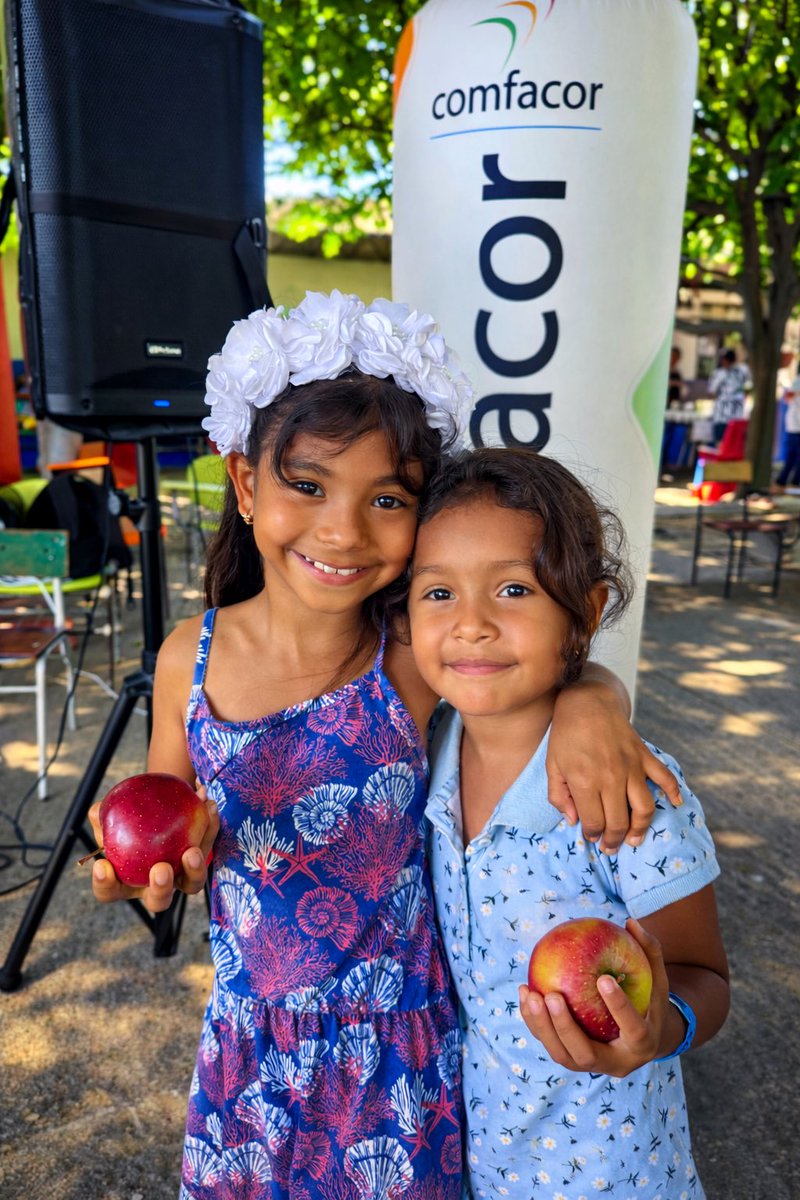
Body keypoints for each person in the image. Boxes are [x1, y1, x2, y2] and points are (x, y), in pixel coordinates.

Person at [88, 292, 680, 1198]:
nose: (343, 531)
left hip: (398, 1058)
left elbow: (535, 664)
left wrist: (597, 699)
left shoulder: (408, 654)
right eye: (308, 485)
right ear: (245, 484)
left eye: (388, 498)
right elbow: (169, 823)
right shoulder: (187, 659)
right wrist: (144, 868)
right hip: (253, 1056)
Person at [409, 447, 730, 1200]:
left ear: (584, 611)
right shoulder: (422, 752)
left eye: (513, 588)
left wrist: (663, 1026)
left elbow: (705, 976)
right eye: (438, 594)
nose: (472, 625)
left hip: (614, 1180)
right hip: (473, 1166)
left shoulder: (628, 791)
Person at [708, 347, 751, 444]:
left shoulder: (742, 370)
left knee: (729, 444)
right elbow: (711, 393)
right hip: (723, 415)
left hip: (733, 416)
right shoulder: (719, 373)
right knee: (722, 443)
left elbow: (749, 388)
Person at [775, 371, 800, 488]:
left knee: (794, 454)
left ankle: (792, 480)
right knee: (793, 454)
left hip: (795, 424)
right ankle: (785, 480)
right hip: (795, 425)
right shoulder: (797, 381)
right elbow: (788, 397)